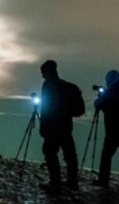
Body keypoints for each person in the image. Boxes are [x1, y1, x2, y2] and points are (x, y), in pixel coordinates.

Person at [38, 60, 82, 195]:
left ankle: (55, 183)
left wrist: (43, 127)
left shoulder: (48, 85)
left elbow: (46, 108)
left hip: (53, 127)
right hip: (66, 126)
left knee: (50, 152)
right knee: (69, 154)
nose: (42, 76)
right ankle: (72, 182)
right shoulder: (65, 86)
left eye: (43, 73)